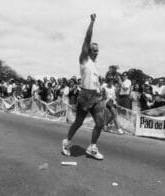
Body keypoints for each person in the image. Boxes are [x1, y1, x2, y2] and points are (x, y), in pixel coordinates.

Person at [62, 13, 105, 160]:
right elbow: (87, 39)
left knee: (100, 123)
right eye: (93, 49)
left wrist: (101, 88)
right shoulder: (83, 59)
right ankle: (67, 142)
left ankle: (92, 148)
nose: (96, 51)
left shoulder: (95, 65)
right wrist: (92, 22)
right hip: (85, 96)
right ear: (88, 50)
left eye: (97, 50)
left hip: (96, 96)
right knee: (79, 122)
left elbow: (95, 81)